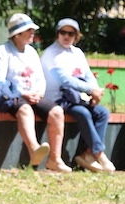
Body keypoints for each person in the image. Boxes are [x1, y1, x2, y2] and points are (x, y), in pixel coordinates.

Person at [0, 13, 70, 172]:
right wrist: (22, 93)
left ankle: (55, 159)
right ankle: (34, 149)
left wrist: (38, 93)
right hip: (9, 96)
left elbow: (40, 79)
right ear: (17, 34)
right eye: (29, 30)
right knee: (25, 109)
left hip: (32, 95)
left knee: (57, 112)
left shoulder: (32, 52)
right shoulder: (2, 51)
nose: (33, 32)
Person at [41, 18, 115, 172]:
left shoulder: (77, 53)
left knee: (102, 112)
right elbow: (64, 80)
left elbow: (88, 75)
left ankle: (87, 154)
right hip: (58, 99)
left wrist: (95, 91)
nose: (66, 36)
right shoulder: (51, 54)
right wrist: (90, 90)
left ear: (76, 36)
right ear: (57, 34)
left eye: (71, 33)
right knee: (82, 112)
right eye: (63, 32)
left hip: (77, 98)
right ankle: (99, 153)